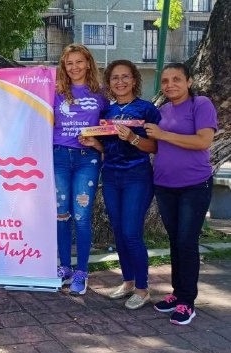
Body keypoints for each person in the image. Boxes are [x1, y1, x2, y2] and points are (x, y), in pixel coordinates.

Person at [80, 60, 161, 310]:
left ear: (134, 80)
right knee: (119, 232)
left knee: (131, 233)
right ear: (109, 83)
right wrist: (95, 144)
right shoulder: (107, 114)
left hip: (137, 176)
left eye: (125, 77)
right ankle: (128, 283)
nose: (120, 82)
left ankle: (143, 289)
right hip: (112, 177)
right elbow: (109, 149)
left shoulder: (147, 109)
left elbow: (155, 147)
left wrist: (134, 137)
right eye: (115, 78)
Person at [144, 63, 217, 325]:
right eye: (165, 81)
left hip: (194, 185)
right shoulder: (162, 111)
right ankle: (178, 293)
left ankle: (188, 301)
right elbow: (156, 146)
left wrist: (164, 134)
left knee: (187, 242)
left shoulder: (201, 104)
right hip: (165, 186)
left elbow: (203, 141)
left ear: (189, 81)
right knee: (175, 241)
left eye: (176, 79)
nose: (170, 84)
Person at [53, 44, 108, 295]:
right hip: (59, 157)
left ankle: (81, 271)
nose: (74, 67)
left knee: (82, 216)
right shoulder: (54, 92)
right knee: (61, 214)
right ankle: (64, 267)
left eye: (79, 62)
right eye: (69, 63)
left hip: (88, 160)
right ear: (64, 67)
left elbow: (109, 130)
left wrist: (97, 143)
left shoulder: (101, 94)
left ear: (88, 63)